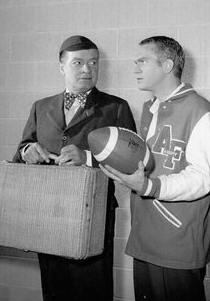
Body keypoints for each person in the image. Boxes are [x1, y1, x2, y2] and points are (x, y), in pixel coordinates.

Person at [100, 36, 210, 301]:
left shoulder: (204, 113)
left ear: (167, 65)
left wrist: (148, 186)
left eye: (142, 61)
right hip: (145, 239)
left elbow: (203, 179)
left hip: (177, 244)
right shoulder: (151, 109)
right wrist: (90, 158)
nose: (135, 68)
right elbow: (140, 162)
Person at [12, 35, 136, 301]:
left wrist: (89, 159)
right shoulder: (40, 107)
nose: (87, 69)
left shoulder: (116, 107)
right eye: (78, 62)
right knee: (54, 286)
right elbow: (20, 150)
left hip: (94, 212)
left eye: (93, 62)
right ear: (61, 67)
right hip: (48, 211)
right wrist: (27, 152)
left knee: (91, 287)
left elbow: (132, 166)